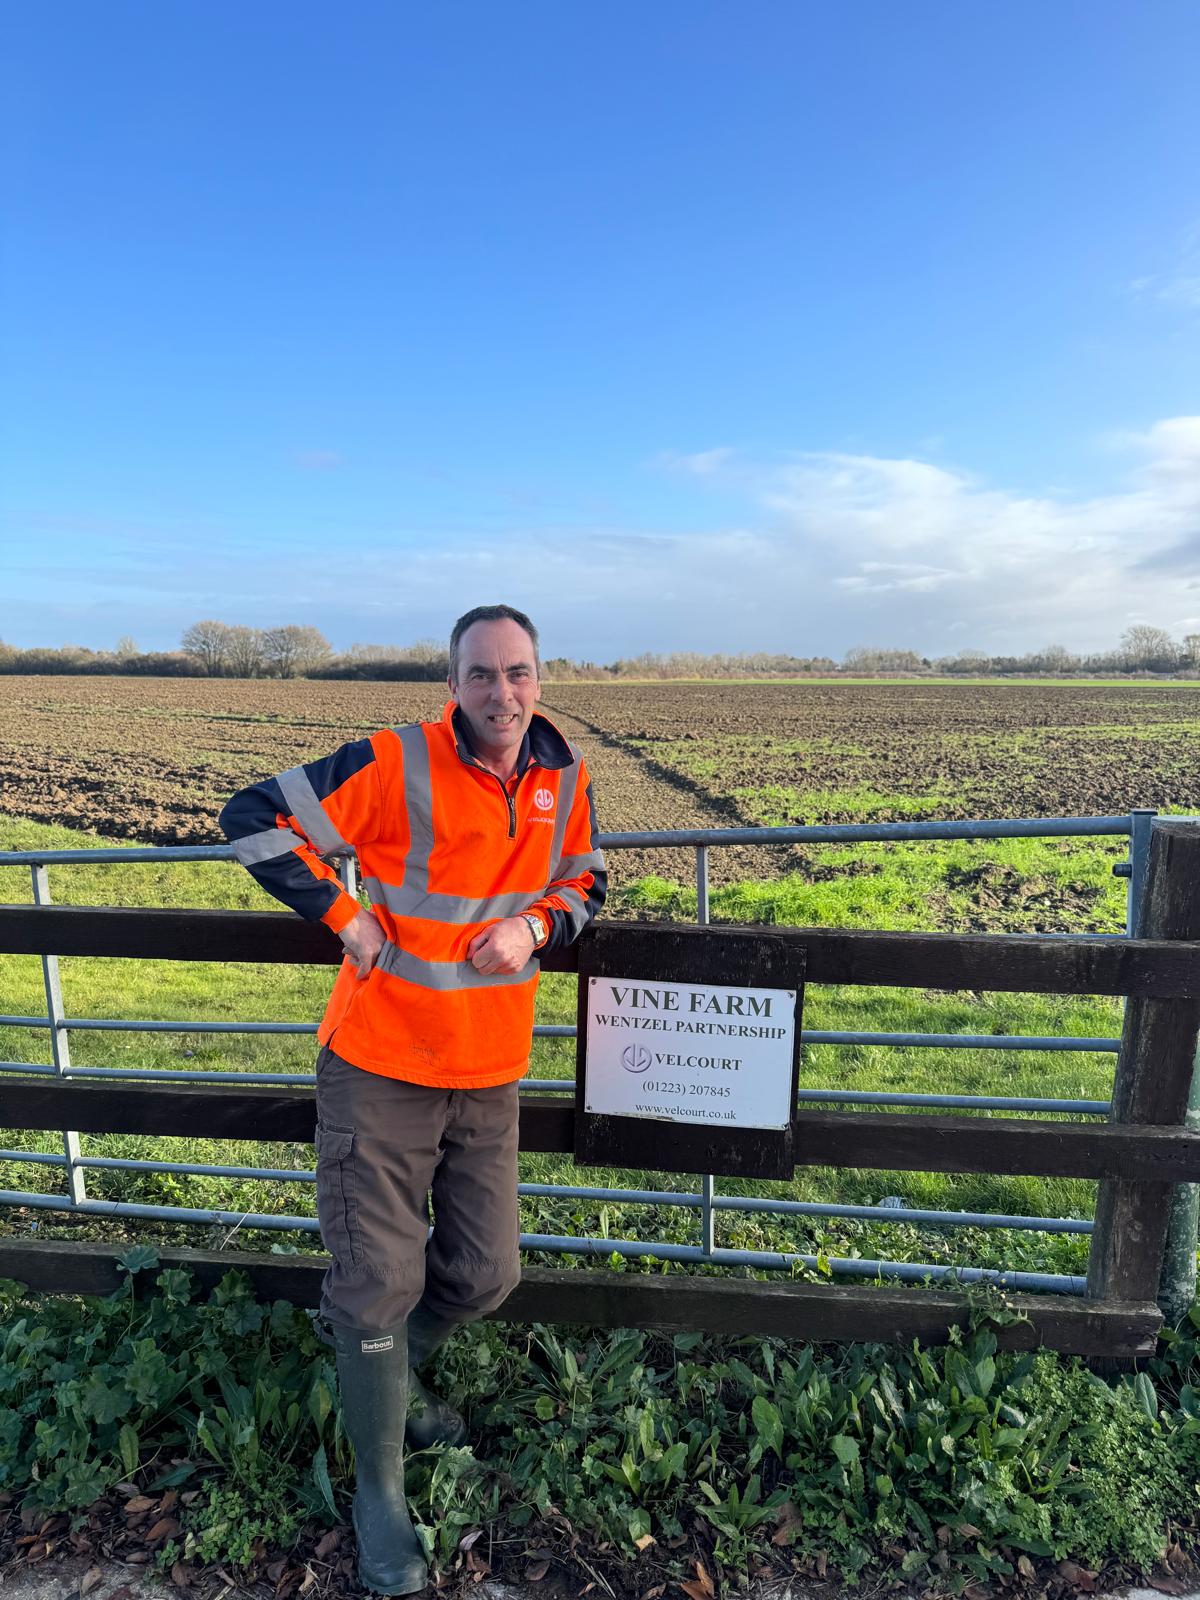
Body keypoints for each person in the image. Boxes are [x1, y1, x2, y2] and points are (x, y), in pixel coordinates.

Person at [219, 604, 606, 1595]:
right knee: (377, 1279)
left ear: (540, 677)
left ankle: (390, 1371)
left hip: (489, 1067)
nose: (502, 693)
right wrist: (345, 916)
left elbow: (586, 881)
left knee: (485, 1271)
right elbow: (251, 814)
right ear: (453, 682)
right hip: (382, 1060)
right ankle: (379, 1494)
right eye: (481, 675)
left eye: (517, 673)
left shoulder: (567, 776)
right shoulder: (393, 759)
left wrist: (534, 926)